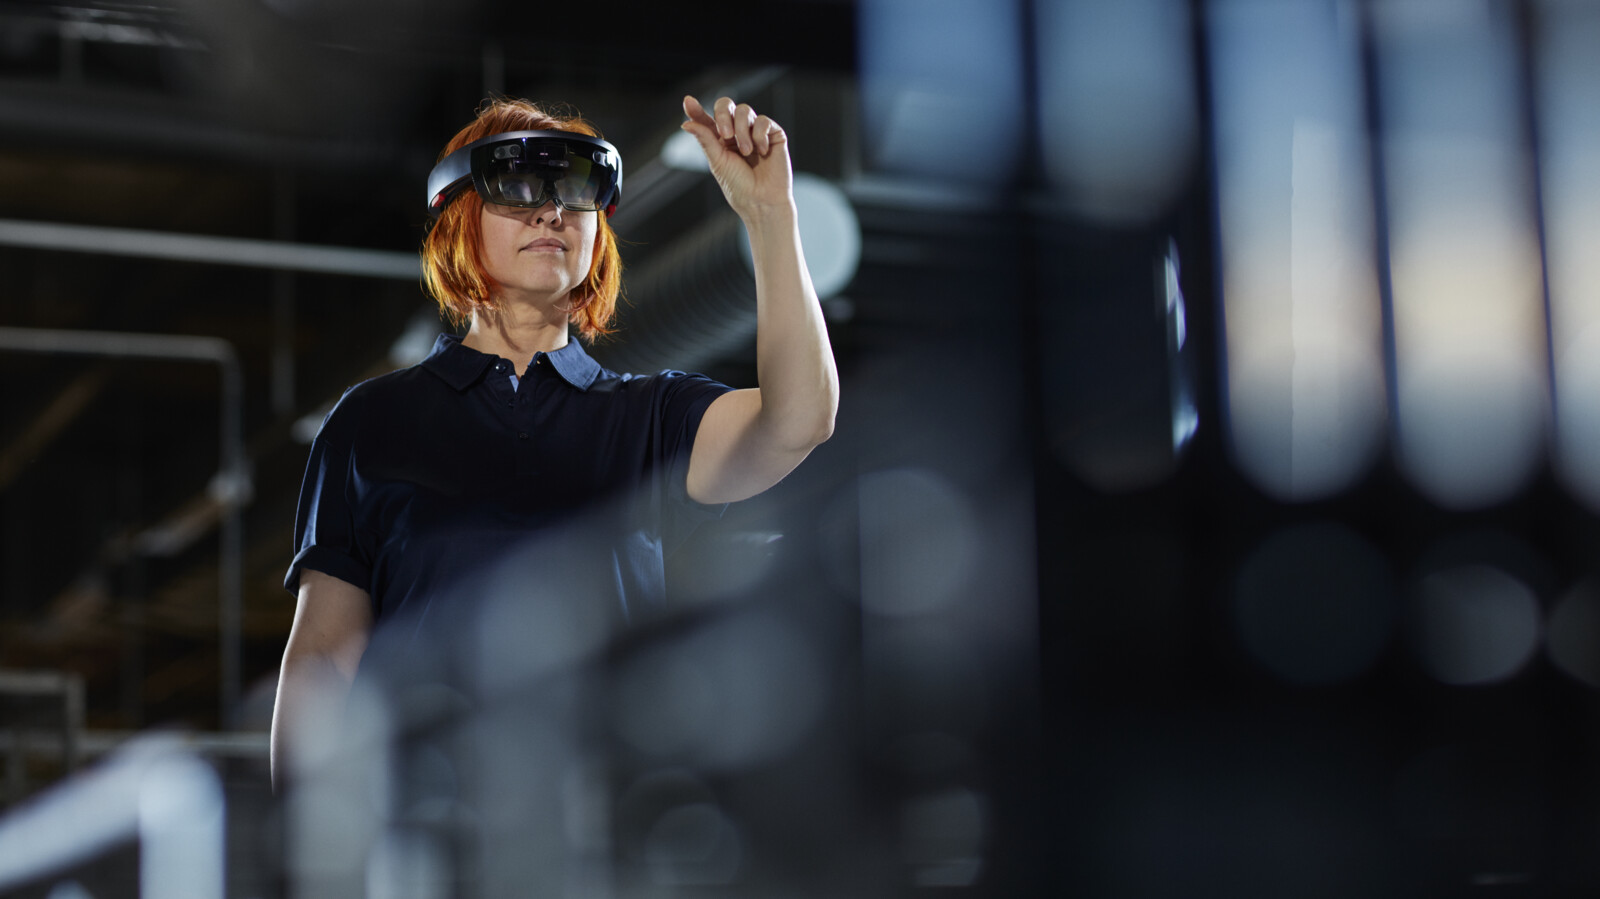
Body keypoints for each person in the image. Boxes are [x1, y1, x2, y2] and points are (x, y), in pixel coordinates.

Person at [270, 95, 839, 791]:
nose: (552, 213)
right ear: (456, 215)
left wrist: (770, 215)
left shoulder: (653, 417)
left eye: (574, 191)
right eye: (517, 187)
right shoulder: (371, 424)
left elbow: (799, 419)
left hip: (610, 839)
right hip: (429, 840)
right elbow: (324, 667)